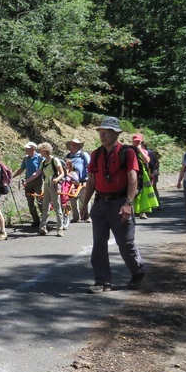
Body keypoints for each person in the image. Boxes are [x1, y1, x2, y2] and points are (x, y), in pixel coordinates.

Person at [80, 116, 146, 294]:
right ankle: (102, 281)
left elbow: (133, 180)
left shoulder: (128, 152)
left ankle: (138, 272)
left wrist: (128, 203)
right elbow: (91, 181)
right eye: (101, 131)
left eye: (106, 132)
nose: (102, 134)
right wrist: (85, 204)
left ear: (116, 134)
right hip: (100, 204)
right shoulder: (96, 154)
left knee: (125, 243)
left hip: (120, 203)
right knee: (98, 244)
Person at [25, 142, 64, 237]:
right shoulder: (43, 162)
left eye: (41, 151)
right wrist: (27, 181)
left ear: (46, 151)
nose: (39, 152)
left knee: (56, 206)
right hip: (46, 184)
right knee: (45, 206)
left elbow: (62, 173)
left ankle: (60, 229)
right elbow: (37, 173)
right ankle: (42, 227)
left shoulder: (55, 160)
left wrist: (56, 179)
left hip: (54, 185)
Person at [12, 142, 43, 227]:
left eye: (27, 148)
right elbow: (21, 169)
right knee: (30, 202)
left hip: (37, 182)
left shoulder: (39, 158)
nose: (26, 150)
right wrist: (12, 177)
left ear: (33, 149)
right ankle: (36, 220)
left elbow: (41, 170)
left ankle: (44, 220)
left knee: (40, 201)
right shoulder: (26, 159)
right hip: (28, 183)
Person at [64, 138, 91, 223]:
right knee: (73, 199)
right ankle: (76, 217)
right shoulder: (67, 156)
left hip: (83, 180)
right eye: (72, 145)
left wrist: (89, 178)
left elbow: (90, 165)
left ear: (79, 146)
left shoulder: (83, 155)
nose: (74, 146)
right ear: (70, 146)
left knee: (85, 199)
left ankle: (87, 216)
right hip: (71, 181)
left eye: (76, 144)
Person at [132, 134, 151, 219]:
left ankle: (142, 212)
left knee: (142, 193)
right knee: (131, 192)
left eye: (138, 141)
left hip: (141, 175)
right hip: (131, 173)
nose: (137, 142)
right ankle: (131, 212)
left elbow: (147, 160)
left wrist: (139, 150)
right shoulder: (129, 150)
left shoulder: (144, 151)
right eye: (135, 141)